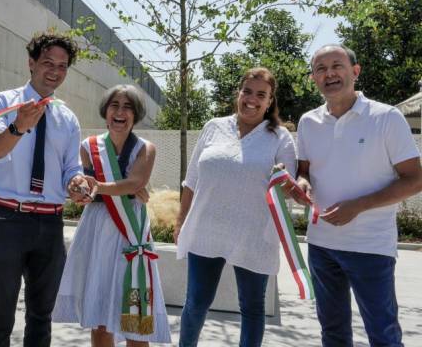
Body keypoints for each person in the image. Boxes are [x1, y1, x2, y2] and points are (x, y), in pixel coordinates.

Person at [291, 45, 422, 347]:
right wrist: (302, 182)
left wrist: (359, 206)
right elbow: (305, 170)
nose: (329, 73)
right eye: (321, 69)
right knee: (333, 333)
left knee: (383, 335)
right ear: (313, 78)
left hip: (371, 247)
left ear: (355, 71)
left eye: (337, 65)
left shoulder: (386, 118)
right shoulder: (308, 122)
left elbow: (415, 179)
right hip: (321, 245)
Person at [0, 32, 92, 347]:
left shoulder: (67, 118)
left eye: (62, 66)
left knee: (42, 315)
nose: (55, 71)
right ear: (31, 63)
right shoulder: (2, 102)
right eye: (47, 63)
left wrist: (76, 183)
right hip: (7, 220)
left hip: (49, 225)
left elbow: (72, 167)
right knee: (0, 314)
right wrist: (18, 126)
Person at [174, 67, 297, 347]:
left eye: (261, 95)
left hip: (254, 235)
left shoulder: (280, 137)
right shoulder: (213, 127)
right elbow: (191, 180)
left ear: (270, 101)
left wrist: (283, 179)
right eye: (247, 91)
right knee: (195, 303)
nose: (252, 99)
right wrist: (181, 220)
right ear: (238, 93)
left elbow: (288, 190)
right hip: (206, 230)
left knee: (252, 308)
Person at [52, 85, 171, 346]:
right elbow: (81, 187)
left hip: (131, 233)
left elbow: (135, 182)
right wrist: (81, 189)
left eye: (127, 106)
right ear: (105, 112)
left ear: (136, 114)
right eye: (114, 105)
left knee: (137, 315)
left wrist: (98, 188)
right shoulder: (88, 146)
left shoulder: (145, 148)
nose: (120, 112)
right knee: (100, 315)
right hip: (96, 233)